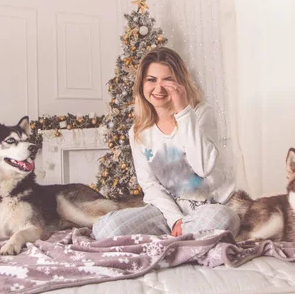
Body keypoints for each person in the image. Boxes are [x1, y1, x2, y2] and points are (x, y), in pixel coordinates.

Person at [92, 47, 239, 239]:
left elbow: (203, 168)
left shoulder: (201, 114)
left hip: (212, 208)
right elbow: (151, 186)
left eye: (168, 79)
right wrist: (175, 219)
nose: (159, 88)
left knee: (218, 221)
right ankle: (186, 239)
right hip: (169, 212)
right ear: (142, 84)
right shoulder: (139, 132)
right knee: (107, 228)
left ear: (180, 82)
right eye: (151, 80)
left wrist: (183, 112)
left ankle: (178, 239)